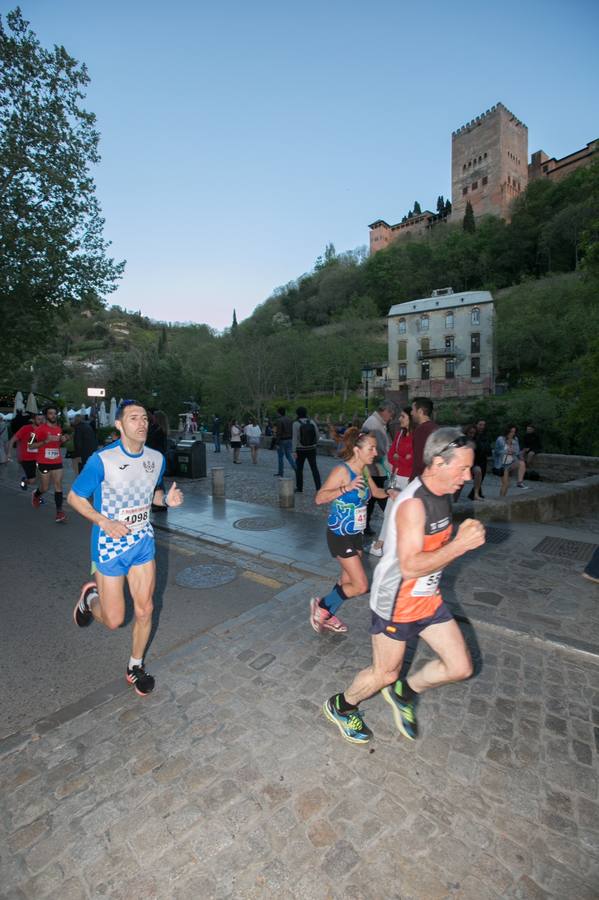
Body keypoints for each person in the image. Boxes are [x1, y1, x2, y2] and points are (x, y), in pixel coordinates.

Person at [323, 427, 485, 744]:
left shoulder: (441, 494)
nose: (467, 477)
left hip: (428, 597)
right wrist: (460, 545)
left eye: (469, 468)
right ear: (438, 462)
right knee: (385, 672)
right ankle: (342, 706)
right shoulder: (414, 504)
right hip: (396, 600)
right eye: (462, 468)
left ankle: (405, 692)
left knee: (460, 666)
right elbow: (410, 566)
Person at [67, 399, 184, 696]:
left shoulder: (156, 459)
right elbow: (75, 498)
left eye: (144, 418)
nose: (142, 423)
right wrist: (103, 522)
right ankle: (90, 599)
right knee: (115, 619)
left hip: (142, 541)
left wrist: (165, 501)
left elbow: (153, 494)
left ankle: (135, 666)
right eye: (134, 418)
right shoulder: (101, 460)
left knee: (145, 610)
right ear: (119, 425)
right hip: (109, 545)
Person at [311, 429, 389, 634]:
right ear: (357, 450)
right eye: (371, 448)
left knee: (346, 581)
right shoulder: (342, 471)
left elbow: (376, 492)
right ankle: (322, 607)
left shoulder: (363, 470)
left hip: (356, 534)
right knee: (360, 585)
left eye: (375, 448)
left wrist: (393, 492)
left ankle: (327, 615)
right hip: (339, 534)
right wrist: (346, 488)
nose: (375, 452)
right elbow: (319, 498)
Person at [368, 407, 413, 557]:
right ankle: (383, 542)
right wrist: (402, 458)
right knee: (389, 511)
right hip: (396, 476)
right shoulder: (400, 434)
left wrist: (398, 457)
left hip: (408, 478)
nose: (399, 419)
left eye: (403, 416)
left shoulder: (414, 436)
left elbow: (410, 459)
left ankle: (387, 543)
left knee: (400, 512)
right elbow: (390, 454)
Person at [361, 401, 396, 537]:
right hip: (375, 467)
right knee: (377, 497)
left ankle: (366, 525)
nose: (391, 418)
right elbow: (380, 450)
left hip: (375, 467)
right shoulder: (374, 424)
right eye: (391, 414)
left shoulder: (376, 422)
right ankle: (393, 522)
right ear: (385, 411)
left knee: (372, 499)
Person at [30, 405, 69, 522]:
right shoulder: (38, 430)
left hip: (57, 461)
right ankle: (36, 495)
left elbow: (59, 444)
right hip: (43, 462)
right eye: (50, 413)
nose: (53, 415)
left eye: (54, 413)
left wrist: (63, 440)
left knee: (58, 485)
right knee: (45, 488)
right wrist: (45, 441)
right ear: (46, 415)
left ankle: (59, 512)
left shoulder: (59, 429)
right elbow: (30, 445)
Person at [7, 412, 44, 489]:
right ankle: (25, 480)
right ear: (33, 420)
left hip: (41, 458)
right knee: (32, 480)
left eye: (42, 419)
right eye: (39, 419)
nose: (41, 421)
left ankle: (38, 495)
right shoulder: (25, 428)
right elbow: (12, 440)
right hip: (27, 458)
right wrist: (9, 453)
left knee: (43, 478)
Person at [293, 406, 321, 493]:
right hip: (311, 448)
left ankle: (299, 487)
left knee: (299, 469)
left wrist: (293, 450)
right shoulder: (312, 422)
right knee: (314, 468)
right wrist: (314, 443)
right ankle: (319, 487)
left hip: (300, 449)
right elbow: (317, 435)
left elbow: (295, 437)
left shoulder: (296, 424)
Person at [410, 397, 439, 482]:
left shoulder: (421, 430)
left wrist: (413, 480)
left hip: (422, 479)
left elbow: (419, 460)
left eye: (413, 410)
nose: (411, 413)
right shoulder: (436, 428)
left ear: (420, 412)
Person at [493, 425, 527, 496]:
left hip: (511, 462)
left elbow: (517, 451)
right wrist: (505, 451)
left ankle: (519, 482)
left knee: (521, 463)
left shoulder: (515, 439)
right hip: (502, 464)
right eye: (511, 431)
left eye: (514, 432)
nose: (512, 433)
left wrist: (514, 451)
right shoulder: (500, 439)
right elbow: (496, 452)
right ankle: (501, 499)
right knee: (506, 484)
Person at [468, 419, 491, 501]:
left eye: (483, 425)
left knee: (481, 476)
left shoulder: (485, 435)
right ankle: (475, 494)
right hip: (475, 458)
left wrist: (488, 454)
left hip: (482, 458)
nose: (482, 427)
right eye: (480, 424)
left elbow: (487, 445)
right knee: (478, 474)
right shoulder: (473, 434)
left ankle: (475, 493)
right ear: (477, 425)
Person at [273, 406, 296, 477]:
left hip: (282, 440)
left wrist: (276, 442)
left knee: (280, 457)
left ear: (279, 413)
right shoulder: (290, 419)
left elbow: (279, 432)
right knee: (289, 455)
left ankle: (281, 472)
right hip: (289, 439)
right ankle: (296, 469)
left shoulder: (279, 420)